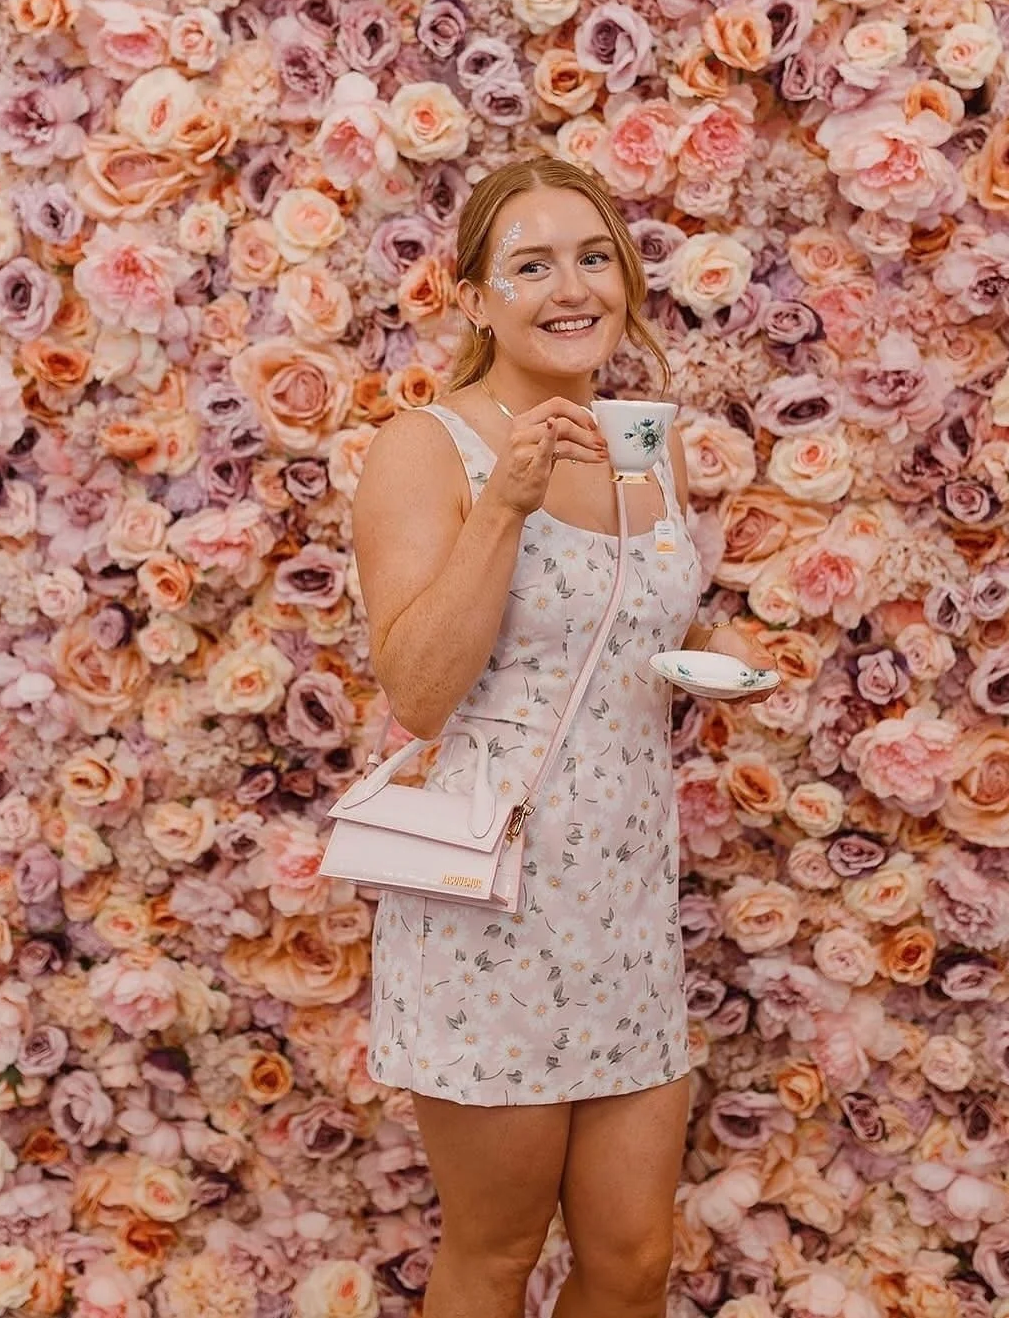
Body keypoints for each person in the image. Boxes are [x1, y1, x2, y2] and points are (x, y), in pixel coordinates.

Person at [350, 157, 778, 1318]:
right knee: (495, 1255)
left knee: (633, 1262)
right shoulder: (426, 447)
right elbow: (419, 692)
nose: (572, 287)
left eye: (594, 258)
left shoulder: (649, 447)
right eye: (531, 265)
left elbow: (622, 635)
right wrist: (505, 504)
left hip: (626, 905)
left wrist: (723, 663)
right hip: (491, 902)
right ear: (475, 298)